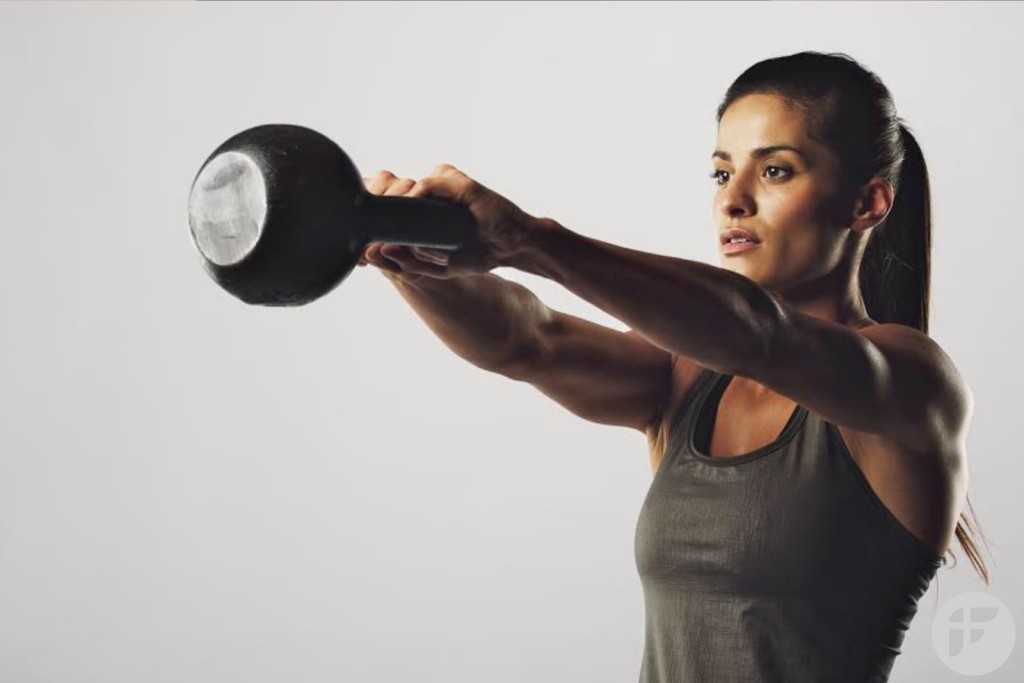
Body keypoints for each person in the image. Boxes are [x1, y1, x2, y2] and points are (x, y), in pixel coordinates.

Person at [358, 50, 991, 682]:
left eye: (774, 171)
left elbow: (759, 336)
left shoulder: (913, 384)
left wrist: (530, 239)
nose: (733, 201)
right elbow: (526, 339)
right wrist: (403, 255)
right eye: (721, 175)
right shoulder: (685, 376)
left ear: (867, 204)